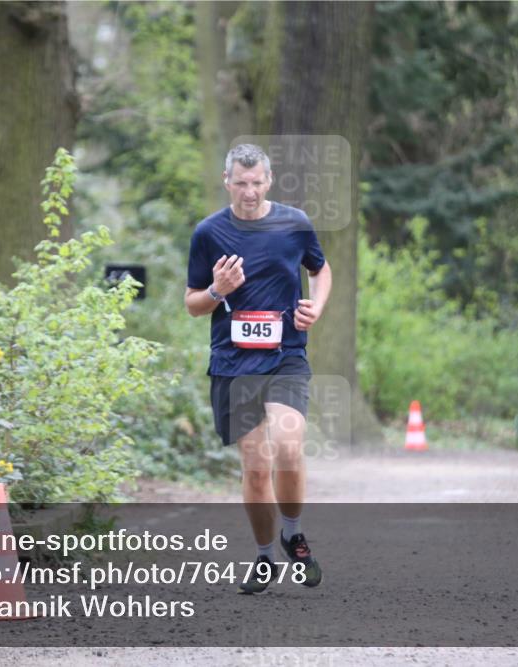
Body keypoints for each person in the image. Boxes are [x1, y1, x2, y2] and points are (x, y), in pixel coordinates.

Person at [184, 144, 332, 594]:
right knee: (255, 465)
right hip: (233, 363)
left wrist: (316, 307)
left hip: (286, 355)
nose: (249, 192)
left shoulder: (294, 223)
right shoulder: (208, 232)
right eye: (240, 183)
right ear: (226, 182)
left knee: (288, 446)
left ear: (269, 181)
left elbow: (320, 270)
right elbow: (193, 304)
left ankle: (293, 533)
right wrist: (217, 289)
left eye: (256, 183)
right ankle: (265, 555)